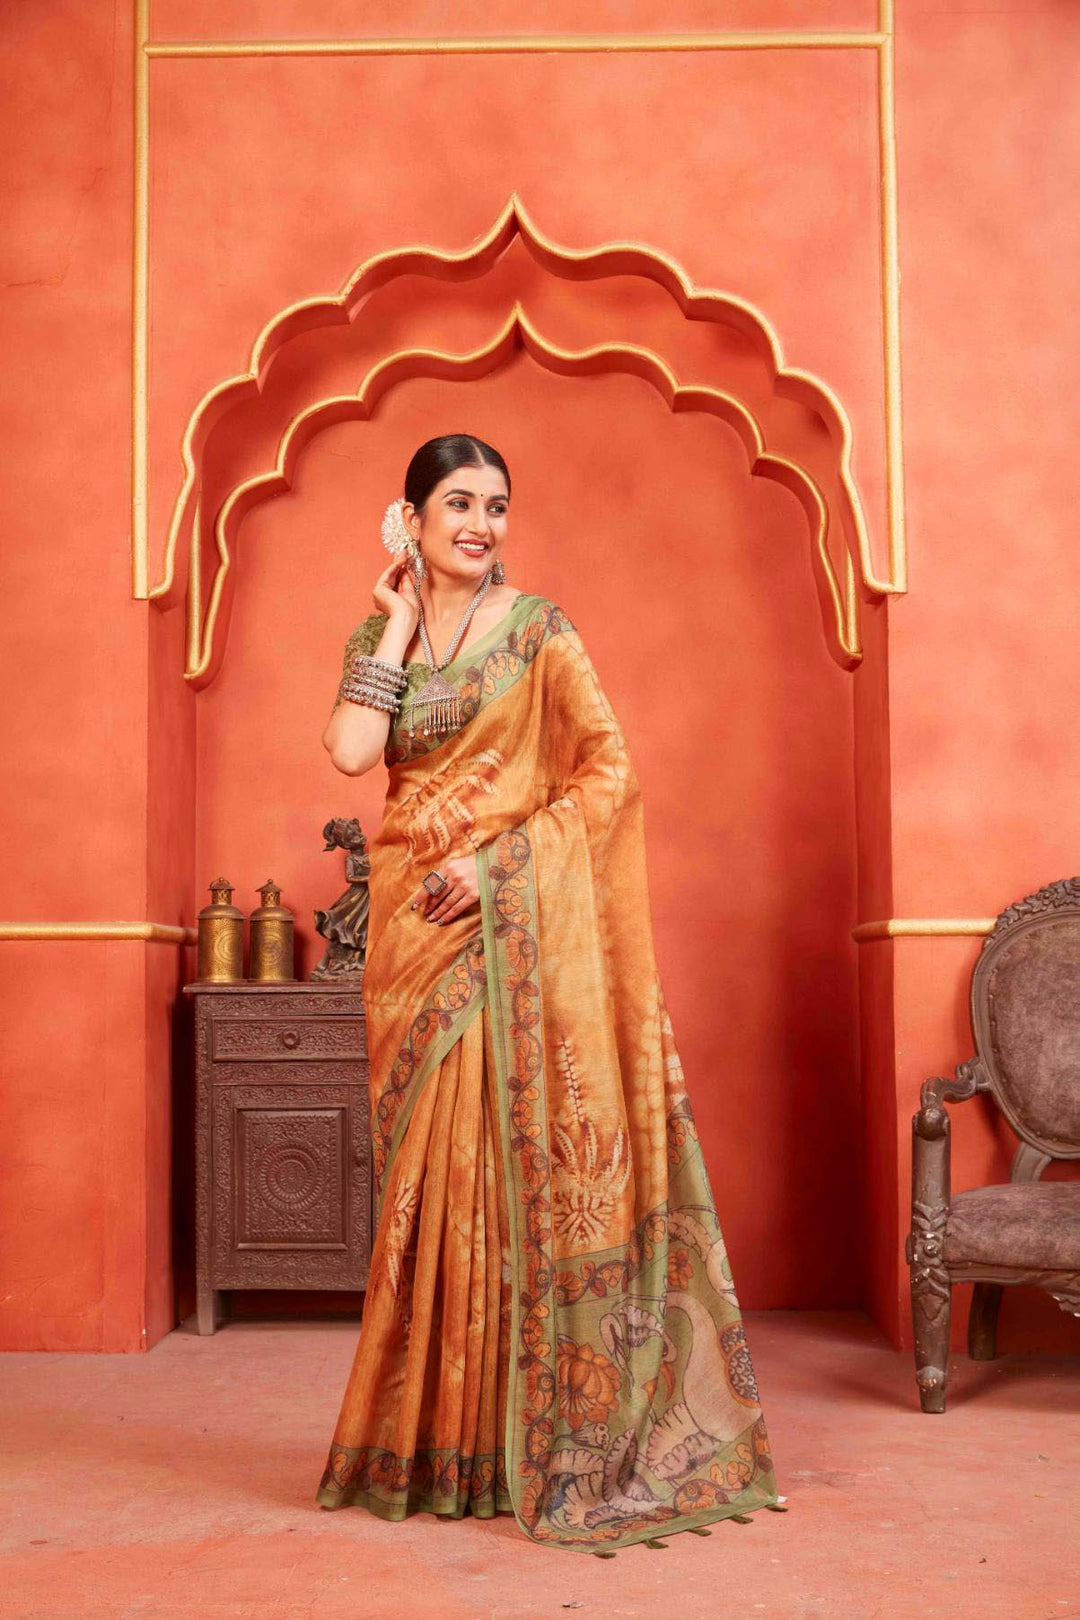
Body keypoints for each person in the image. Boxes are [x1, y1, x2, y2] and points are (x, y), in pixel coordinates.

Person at [315, 433, 781, 1553]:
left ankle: (512, 1445)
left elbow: (608, 772)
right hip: (408, 952)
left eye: (497, 505)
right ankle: (431, 1446)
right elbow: (348, 752)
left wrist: (496, 871)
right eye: (458, 503)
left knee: (497, 1175)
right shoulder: (386, 638)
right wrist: (392, 623)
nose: (481, 523)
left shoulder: (541, 633)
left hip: (503, 935)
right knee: (430, 1202)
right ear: (411, 519)